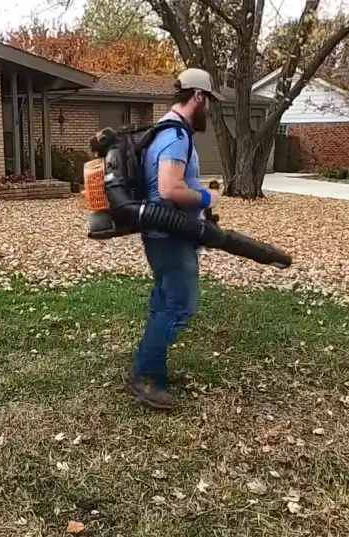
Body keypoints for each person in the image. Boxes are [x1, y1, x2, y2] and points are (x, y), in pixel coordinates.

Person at [125, 68, 223, 410]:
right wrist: (205, 199)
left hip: (161, 234)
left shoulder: (163, 130)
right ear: (198, 96)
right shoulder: (176, 136)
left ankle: (148, 365)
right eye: (209, 100)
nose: (209, 107)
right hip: (170, 236)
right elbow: (169, 187)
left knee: (163, 302)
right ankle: (145, 378)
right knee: (180, 306)